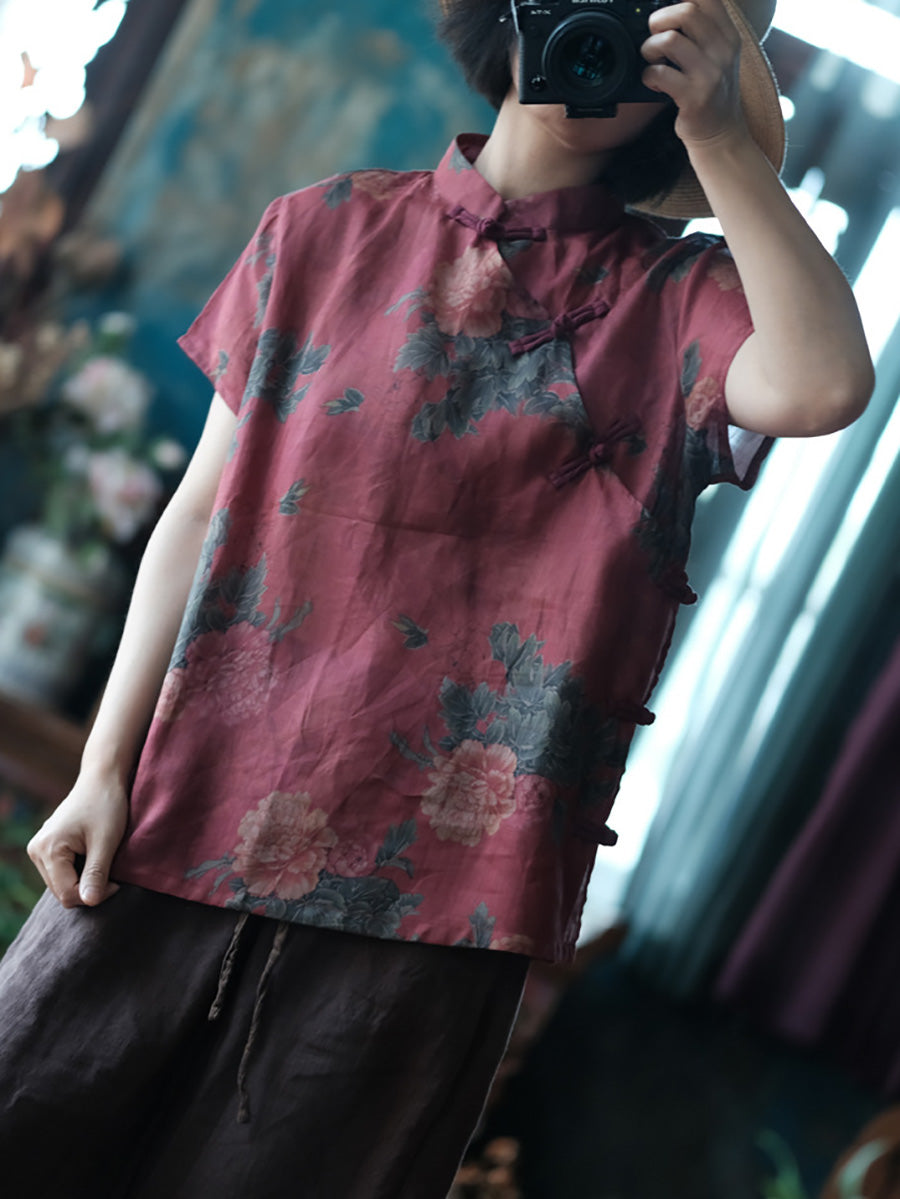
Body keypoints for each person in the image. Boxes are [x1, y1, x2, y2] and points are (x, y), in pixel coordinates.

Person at [0, 1, 874, 1195]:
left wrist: (723, 135)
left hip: (444, 904)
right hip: (175, 812)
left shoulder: (683, 300)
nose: (605, 42)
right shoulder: (319, 228)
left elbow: (825, 385)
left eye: (653, 26)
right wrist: (102, 769)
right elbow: (199, 514)